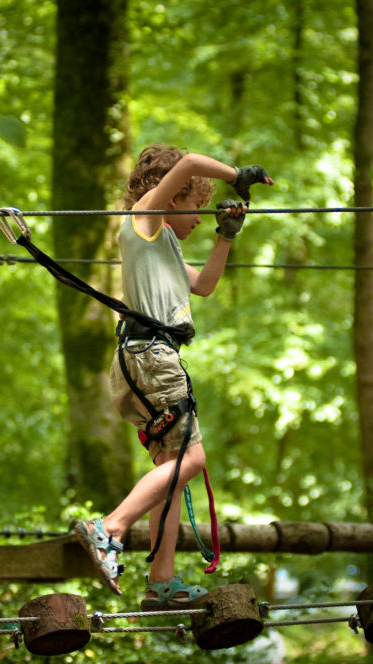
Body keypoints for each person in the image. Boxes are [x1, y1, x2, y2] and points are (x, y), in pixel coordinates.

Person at [75, 144, 272, 610]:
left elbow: (203, 285)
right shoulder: (144, 223)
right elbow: (189, 163)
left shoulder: (163, 247)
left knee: (173, 470)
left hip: (144, 359)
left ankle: (162, 579)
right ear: (173, 196)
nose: (201, 218)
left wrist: (227, 235)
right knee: (194, 460)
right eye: (197, 207)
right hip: (152, 358)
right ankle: (110, 528)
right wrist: (236, 176)